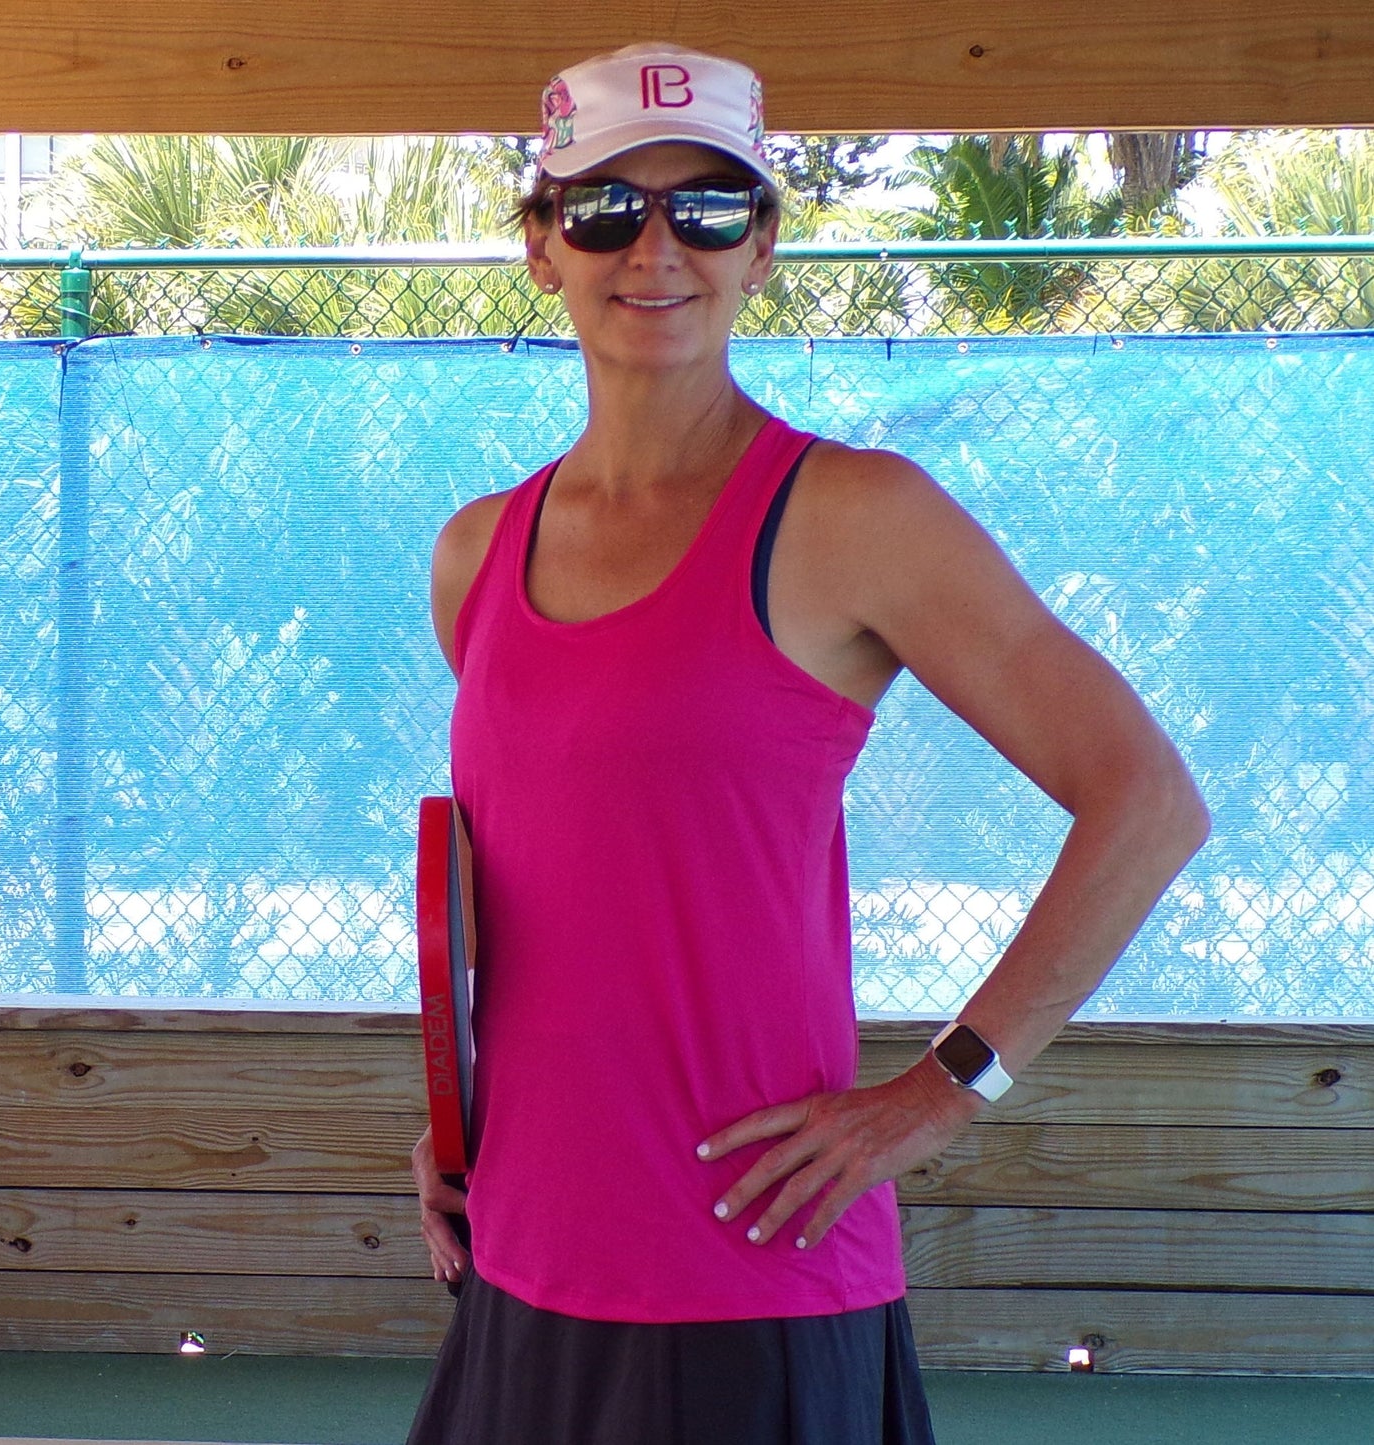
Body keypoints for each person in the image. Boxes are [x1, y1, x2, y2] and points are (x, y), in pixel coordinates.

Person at [407, 42, 1209, 1445]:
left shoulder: (853, 517)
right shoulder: (476, 555)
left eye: (709, 209)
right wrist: (457, 1114)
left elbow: (1146, 802)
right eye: (605, 208)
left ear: (762, 248)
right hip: (523, 1262)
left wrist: (944, 1091)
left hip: (751, 1279)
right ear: (540, 246)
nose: (656, 247)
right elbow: (549, 900)